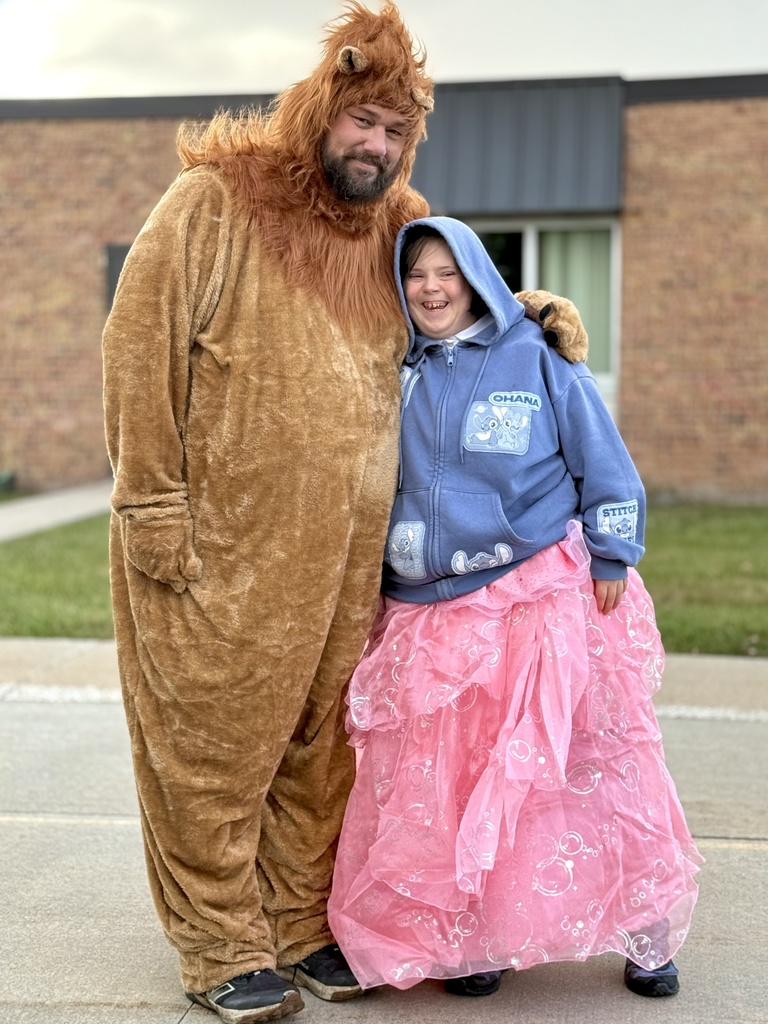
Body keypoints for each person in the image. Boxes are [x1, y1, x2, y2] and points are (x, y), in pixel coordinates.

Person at [102, 5, 585, 1022]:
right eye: (363, 121)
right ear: (322, 109)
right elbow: (138, 345)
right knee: (213, 748)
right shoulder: (213, 203)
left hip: (353, 556)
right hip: (222, 546)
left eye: (397, 131)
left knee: (325, 752)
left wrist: (531, 315)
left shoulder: (393, 228)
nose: (377, 145)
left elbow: (451, 299)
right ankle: (219, 941)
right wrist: (149, 502)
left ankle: (300, 924)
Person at [327, 218, 703, 1002]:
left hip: (540, 592)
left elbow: (601, 455)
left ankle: (645, 932)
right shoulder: (391, 365)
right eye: (416, 274)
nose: (432, 288)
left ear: (475, 278)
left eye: (447, 272)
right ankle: (477, 940)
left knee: (584, 765)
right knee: (456, 783)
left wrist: (613, 548)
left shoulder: (534, 354)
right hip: (432, 608)